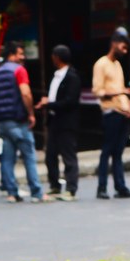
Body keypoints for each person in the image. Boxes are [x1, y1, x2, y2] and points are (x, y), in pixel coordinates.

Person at [0, 41, 42, 203]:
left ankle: (12, 192)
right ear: (12, 54)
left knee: (7, 158)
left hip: (2, 121)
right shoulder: (19, 70)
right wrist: (31, 113)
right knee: (29, 156)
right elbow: (25, 93)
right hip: (18, 120)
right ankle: (37, 192)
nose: (23, 57)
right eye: (20, 53)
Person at [90, 28, 130, 199]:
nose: (124, 52)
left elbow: (121, 91)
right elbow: (98, 91)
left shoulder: (117, 65)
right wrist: (119, 91)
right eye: (123, 47)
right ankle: (101, 187)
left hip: (123, 111)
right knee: (107, 150)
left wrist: (128, 105)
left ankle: (120, 187)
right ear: (114, 44)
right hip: (110, 111)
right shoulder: (101, 64)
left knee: (118, 152)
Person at [42, 43, 82, 200]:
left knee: (68, 155)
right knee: (50, 155)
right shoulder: (56, 75)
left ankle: (71, 188)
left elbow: (70, 101)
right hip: (54, 120)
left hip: (67, 122)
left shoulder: (72, 77)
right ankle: (55, 185)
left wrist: (49, 104)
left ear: (57, 58)